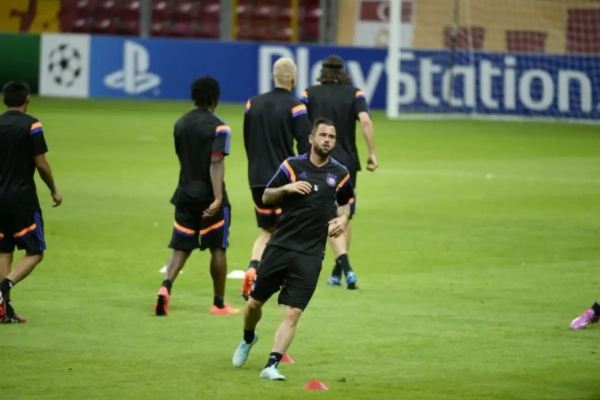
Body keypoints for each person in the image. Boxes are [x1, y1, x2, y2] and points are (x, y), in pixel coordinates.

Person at [231, 117, 355, 381]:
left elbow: (345, 204)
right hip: (280, 246)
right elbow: (266, 196)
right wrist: (287, 188)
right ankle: (248, 338)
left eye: (332, 137)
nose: (327, 140)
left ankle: (271, 365)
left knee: (294, 311)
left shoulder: (340, 173)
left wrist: (343, 219)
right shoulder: (292, 166)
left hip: (311, 252)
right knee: (253, 304)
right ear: (311, 138)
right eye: (323, 135)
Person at [154, 76, 239, 317]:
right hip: (209, 196)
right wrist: (218, 197)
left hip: (184, 193)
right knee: (217, 248)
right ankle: (219, 304)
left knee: (181, 246)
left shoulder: (180, 124)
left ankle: (165, 287)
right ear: (215, 97)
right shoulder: (220, 127)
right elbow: (216, 161)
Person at [300, 54, 378, 290]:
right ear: (343, 71)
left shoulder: (309, 94)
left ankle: (344, 268)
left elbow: (300, 125)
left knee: (325, 214)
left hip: (319, 162)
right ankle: (338, 271)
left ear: (322, 71)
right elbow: (365, 121)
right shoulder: (355, 93)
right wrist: (372, 152)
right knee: (344, 215)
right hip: (347, 163)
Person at [240, 57, 312, 301]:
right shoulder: (296, 107)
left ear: (273, 77)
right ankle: (282, 279)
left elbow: (248, 140)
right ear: (293, 79)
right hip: (284, 180)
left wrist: (255, 168)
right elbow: (305, 147)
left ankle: (253, 269)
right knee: (289, 231)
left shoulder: (252, 104)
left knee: (267, 230)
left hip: (257, 178)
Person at [0, 80, 62, 324]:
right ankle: (4, 287)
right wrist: (54, 190)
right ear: (27, 100)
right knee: (35, 252)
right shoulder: (32, 125)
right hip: (22, 199)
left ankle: (5, 308)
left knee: (4, 250)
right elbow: (41, 164)